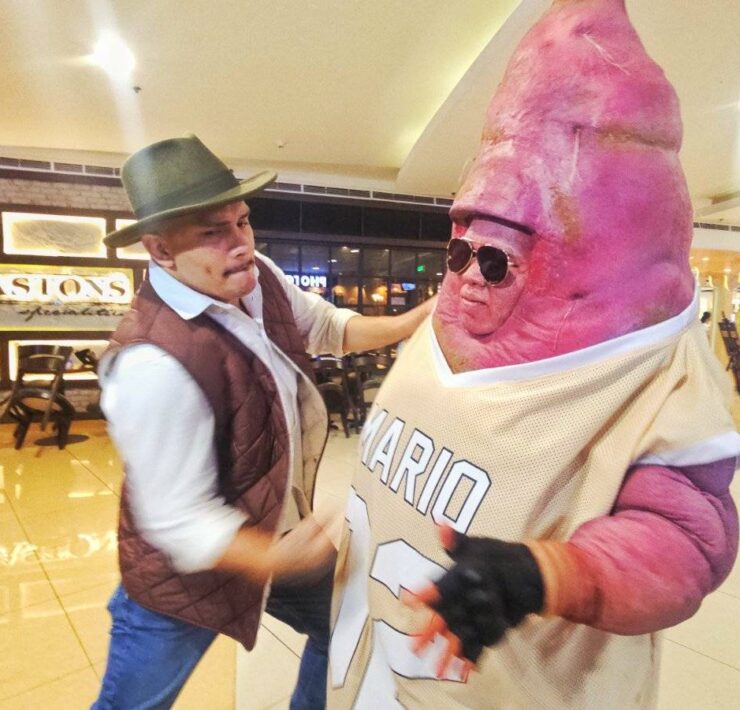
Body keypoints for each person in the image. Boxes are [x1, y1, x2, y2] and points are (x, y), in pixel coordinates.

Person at [327, 1, 738, 708]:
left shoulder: (646, 372)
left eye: (497, 261)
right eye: (460, 253)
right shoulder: (443, 329)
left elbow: (684, 538)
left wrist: (545, 574)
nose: (468, 277)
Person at [92, 134, 434, 709]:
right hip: (187, 578)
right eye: (213, 232)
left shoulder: (259, 278)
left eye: (243, 221)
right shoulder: (152, 364)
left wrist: (417, 320)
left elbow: (328, 327)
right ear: (161, 250)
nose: (242, 244)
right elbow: (178, 523)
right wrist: (279, 557)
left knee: (344, 629)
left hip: (275, 534)